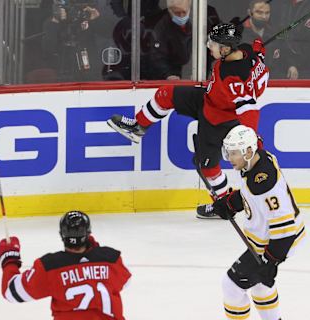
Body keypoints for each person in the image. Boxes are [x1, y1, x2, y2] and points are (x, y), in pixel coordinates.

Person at [107, 23, 270, 218]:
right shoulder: (246, 51)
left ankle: (223, 205)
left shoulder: (234, 78)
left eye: (214, 44)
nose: (209, 46)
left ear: (226, 49)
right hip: (208, 99)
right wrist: (258, 52)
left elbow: (248, 107)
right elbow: (256, 58)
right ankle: (137, 127)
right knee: (166, 93)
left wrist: (251, 137)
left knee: (208, 167)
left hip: (219, 120)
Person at [211, 125, 306, 320]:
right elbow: (250, 195)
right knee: (260, 286)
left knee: (231, 286)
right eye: (228, 153)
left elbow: (285, 230)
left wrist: (271, 261)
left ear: (248, 151)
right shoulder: (256, 162)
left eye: (234, 153)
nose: (229, 158)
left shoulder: (264, 184)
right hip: (271, 240)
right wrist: (229, 203)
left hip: (275, 243)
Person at [0, 211, 131, 320]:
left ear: (62, 235)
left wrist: (9, 259)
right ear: (88, 233)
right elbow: (125, 282)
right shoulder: (111, 258)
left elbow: (11, 293)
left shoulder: (49, 266)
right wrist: (94, 254)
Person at [149, 0, 220, 80]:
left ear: (189, 7)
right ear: (170, 11)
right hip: (175, 73)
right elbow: (158, 56)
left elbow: (219, 39)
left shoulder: (206, 15)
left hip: (202, 69)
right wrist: (168, 74)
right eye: (177, 13)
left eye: (184, 12)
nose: (181, 16)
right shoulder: (161, 25)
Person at [271, 0, 310, 79]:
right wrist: (289, 64)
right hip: (279, 66)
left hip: (306, 68)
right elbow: (273, 35)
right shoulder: (279, 3)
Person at [241, 0, 298, 79]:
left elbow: (286, 52)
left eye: (267, 13)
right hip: (247, 81)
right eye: (259, 13)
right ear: (249, 13)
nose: (264, 16)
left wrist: (291, 65)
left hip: (273, 80)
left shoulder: (275, 33)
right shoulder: (239, 34)